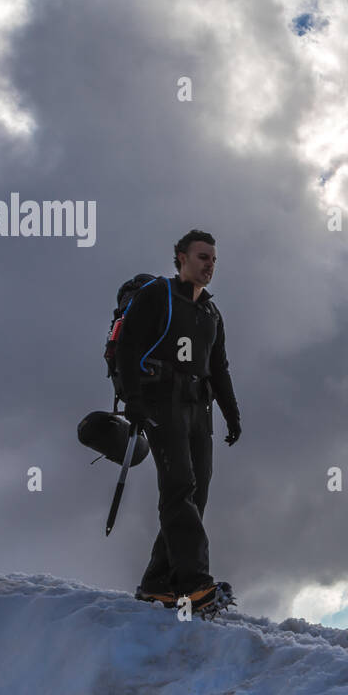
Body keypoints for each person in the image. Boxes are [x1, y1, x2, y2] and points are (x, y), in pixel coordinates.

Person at [113, 229, 241, 614]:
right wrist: (134, 399)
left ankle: (157, 585)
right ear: (181, 258)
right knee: (179, 487)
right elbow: (127, 346)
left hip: (198, 408)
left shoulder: (211, 312)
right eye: (203, 257)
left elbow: (218, 368)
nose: (210, 265)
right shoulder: (158, 295)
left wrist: (231, 413)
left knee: (197, 493)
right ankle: (194, 586)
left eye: (214, 259)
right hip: (160, 403)